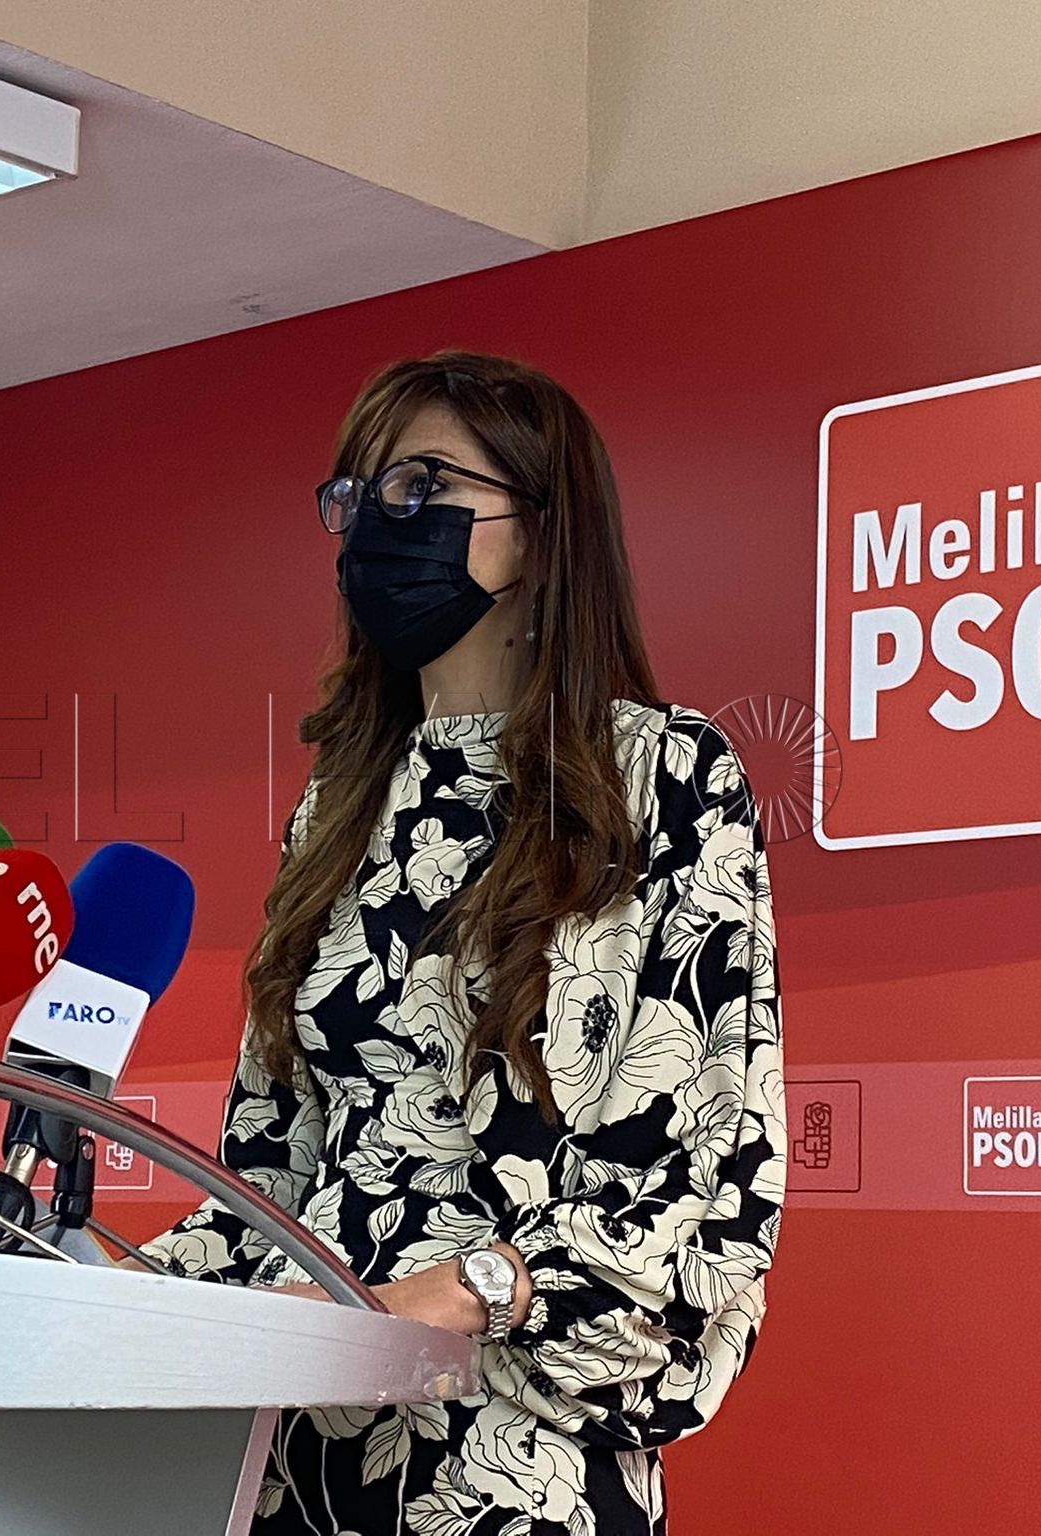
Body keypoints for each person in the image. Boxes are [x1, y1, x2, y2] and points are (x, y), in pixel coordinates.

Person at [138, 350, 784, 1535]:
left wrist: (474, 1290)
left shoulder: (662, 776)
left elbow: (705, 1170)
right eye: (360, 493)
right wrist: (105, 1289)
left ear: (538, 528)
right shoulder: (337, 802)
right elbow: (269, 1166)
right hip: (292, 1443)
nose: (379, 523)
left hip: (511, 1446)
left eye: (423, 487)